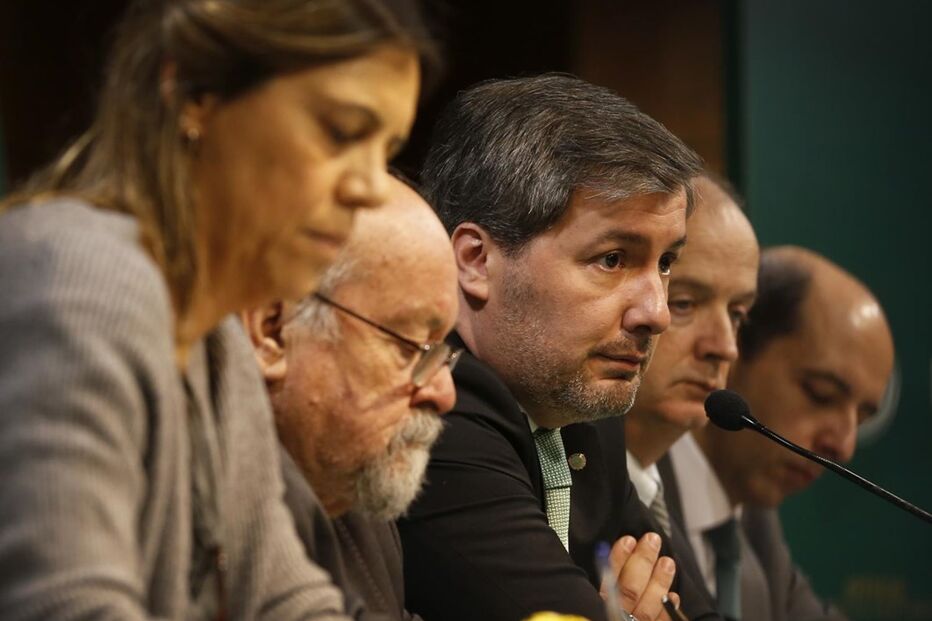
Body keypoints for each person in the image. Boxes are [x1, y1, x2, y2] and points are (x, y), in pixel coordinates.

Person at [0, 0, 429, 618]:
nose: (367, 186)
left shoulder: (216, 337)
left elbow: (283, 598)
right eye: (341, 132)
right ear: (197, 94)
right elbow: (67, 606)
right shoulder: (79, 281)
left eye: (384, 145)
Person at [398, 73, 719, 621]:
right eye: (613, 259)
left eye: (665, 264)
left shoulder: (576, 408)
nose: (657, 313)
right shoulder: (432, 404)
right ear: (476, 260)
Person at [243, 176, 458, 621]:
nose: (445, 393)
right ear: (272, 330)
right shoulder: (187, 515)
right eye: (411, 347)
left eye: (442, 354)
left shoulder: (355, 497)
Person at [666, 246, 894, 621]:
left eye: (863, 418)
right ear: (734, 348)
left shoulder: (755, 526)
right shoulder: (626, 481)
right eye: (821, 394)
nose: (844, 445)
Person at [612, 174, 757, 614]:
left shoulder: (662, 491)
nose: (724, 347)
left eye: (737, 314)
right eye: (686, 304)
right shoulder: (548, 478)